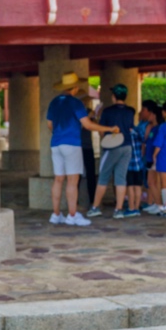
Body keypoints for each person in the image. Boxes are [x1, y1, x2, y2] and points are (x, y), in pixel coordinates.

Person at [45, 72, 107, 227]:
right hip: (72, 144)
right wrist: (109, 129)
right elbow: (87, 125)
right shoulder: (76, 103)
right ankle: (72, 215)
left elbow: (49, 125)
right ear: (75, 87)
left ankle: (56, 214)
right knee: (73, 181)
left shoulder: (54, 102)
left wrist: (60, 133)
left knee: (58, 179)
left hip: (56, 143)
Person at [87, 83, 137, 218]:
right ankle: (118, 209)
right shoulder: (130, 111)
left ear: (114, 96)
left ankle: (95, 207)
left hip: (111, 147)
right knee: (121, 178)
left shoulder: (108, 111)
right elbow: (131, 128)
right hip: (127, 146)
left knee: (103, 177)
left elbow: (101, 130)